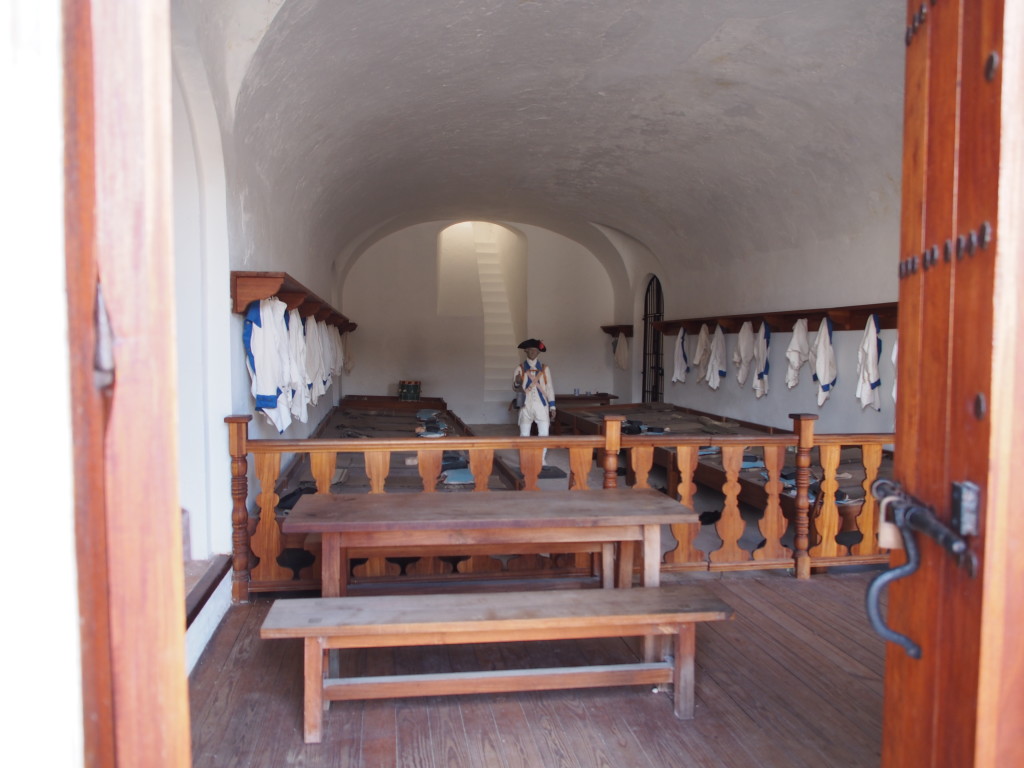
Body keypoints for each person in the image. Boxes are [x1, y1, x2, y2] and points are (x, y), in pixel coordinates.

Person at [512, 338, 556, 464]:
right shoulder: (520, 368)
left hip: (541, 406)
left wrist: (552, 407)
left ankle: (541, 460)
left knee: (544, 433)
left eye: (535, 351)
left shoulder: (545, 369)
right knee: (524, 434)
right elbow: (515, 388)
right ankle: (525, 459)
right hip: (526, 405)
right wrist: (517, 382)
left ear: (538, 352)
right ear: (526, 351)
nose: (533, 353)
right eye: (530, 350)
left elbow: (549, 388)